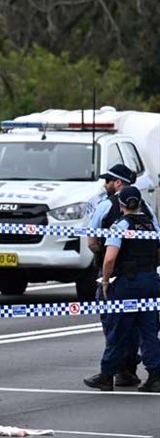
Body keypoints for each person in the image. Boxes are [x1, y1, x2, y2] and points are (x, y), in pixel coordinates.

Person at [87, 164, 159, 386]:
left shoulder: (118, 221)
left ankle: (110, 374)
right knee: (148, 330)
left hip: (124, 281)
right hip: (150, 279)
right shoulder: (149, 217)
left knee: (116, 328)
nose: (105, 184)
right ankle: (155, 376)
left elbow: (98, 247)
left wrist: (106, 279)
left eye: (108, 180)